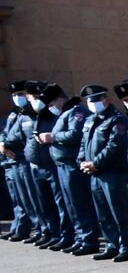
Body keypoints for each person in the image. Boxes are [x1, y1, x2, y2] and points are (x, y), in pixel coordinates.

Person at [79, 83, 128, 262]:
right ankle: (111, 245)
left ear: (105, 99)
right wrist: (82, 161)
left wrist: (95, 163)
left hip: (111, 173)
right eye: (90, 101)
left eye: (96, 99)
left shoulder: (117, 119)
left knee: (119, 212)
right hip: (95, 174)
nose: (93, 103)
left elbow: (115, 146)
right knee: (103, 213)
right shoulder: (91, 120)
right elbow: (84, 143)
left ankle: (127, 247)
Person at [45, 85, 101, 255]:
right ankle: (81, 237)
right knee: (71, 204)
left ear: (60, 99)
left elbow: (75, 134)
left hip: (72, 165)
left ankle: (89, 239)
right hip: (62, 165)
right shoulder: (64, 113)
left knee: (80, 203)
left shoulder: (76, 111)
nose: (50, 107)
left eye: (51, 103)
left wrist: (53, 137)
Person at [25, 83, 74, 252]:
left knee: (61, 203)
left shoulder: (61, 114)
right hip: (39, 164)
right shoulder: (41, 115)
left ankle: (66, 235)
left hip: (54, 164)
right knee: (44, 203)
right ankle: (53, 233)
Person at [2, 81, 36, 242]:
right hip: (11, 161)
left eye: (21, 94)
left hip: (22, 159)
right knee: (17, 198)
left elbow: (23, 136)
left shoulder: (30, 113)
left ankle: (37, 229)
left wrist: (7, 143)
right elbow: (5, 131)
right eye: (14, 95)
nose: (17, 98)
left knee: (30, 197)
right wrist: (2, 143)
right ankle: (19, 226)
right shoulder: (15, 112)